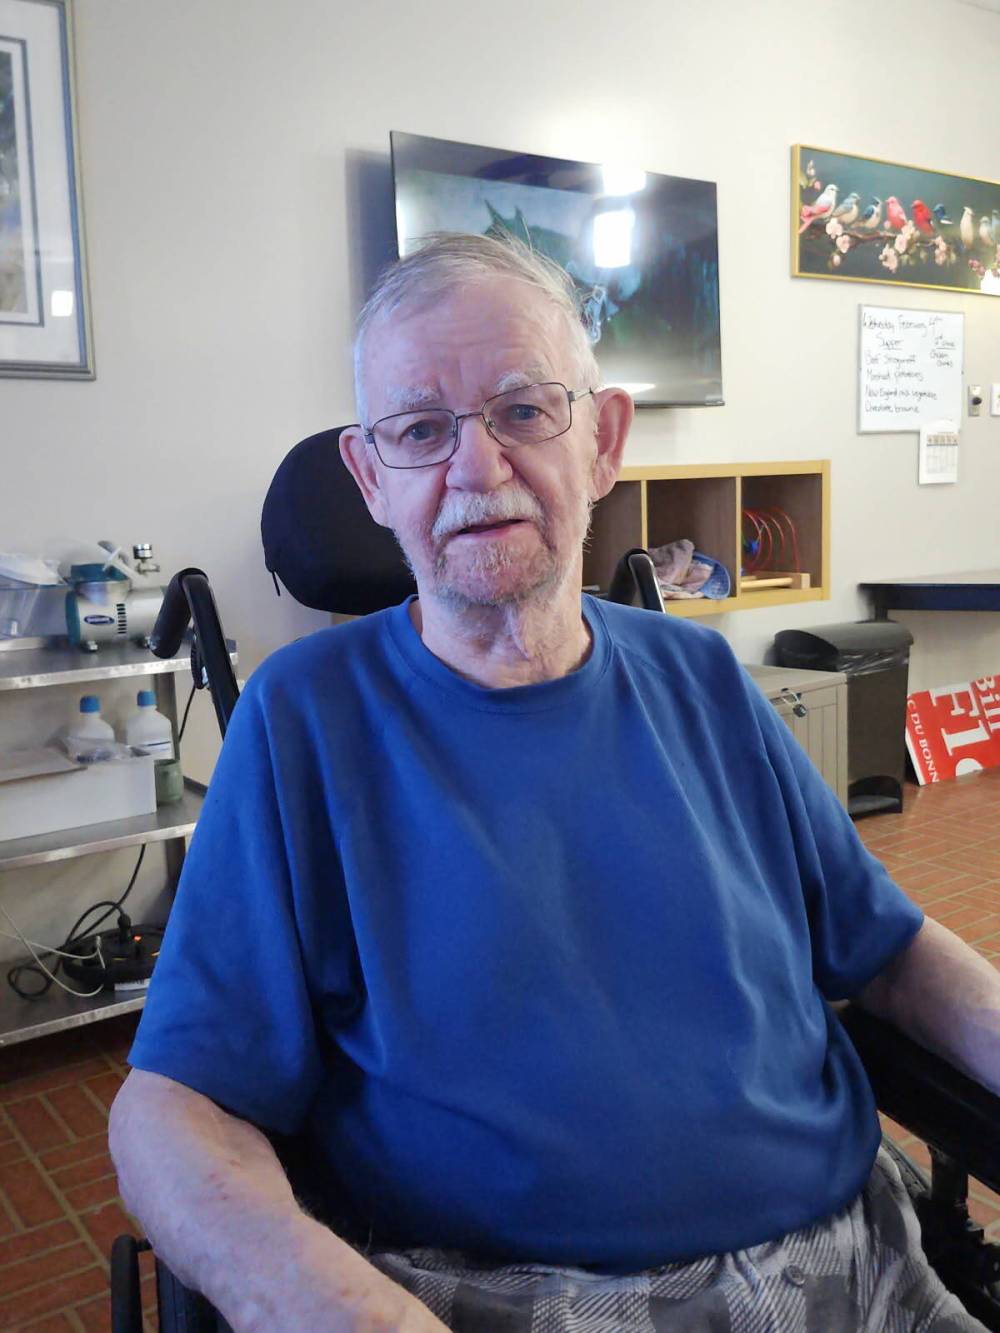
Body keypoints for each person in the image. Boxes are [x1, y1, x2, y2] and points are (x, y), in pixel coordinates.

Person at [110, 233, 1000, 1333]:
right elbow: (171, 1106)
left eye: (523, 410)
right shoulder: (304, 722)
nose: (476, 469)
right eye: (421, 430)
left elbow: (892, 952)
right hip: (502, 1302)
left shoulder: (703, 677)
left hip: (857, 1266)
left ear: (603, 440)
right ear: (371, 477)